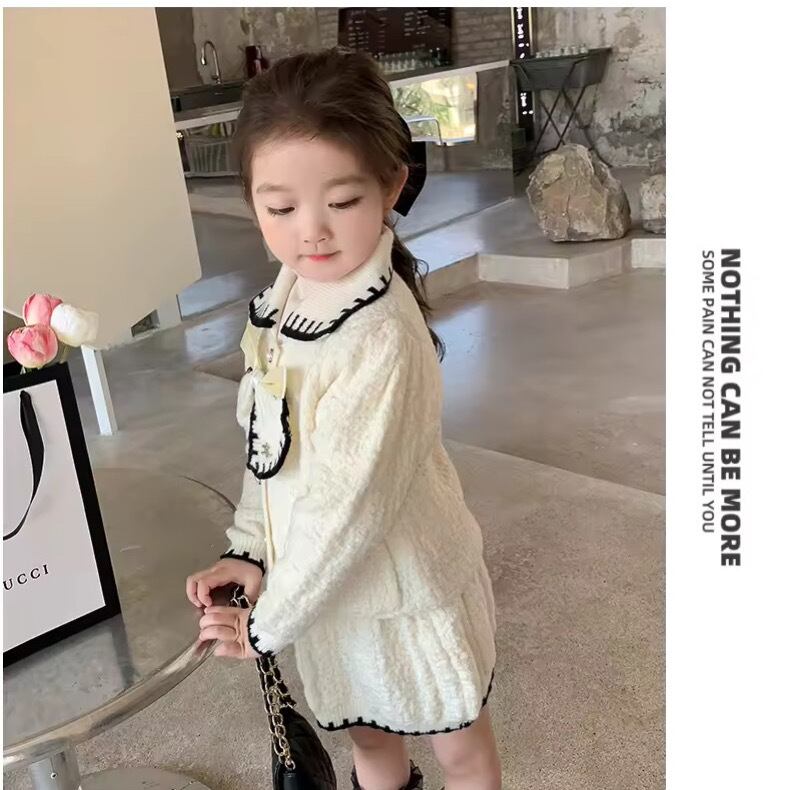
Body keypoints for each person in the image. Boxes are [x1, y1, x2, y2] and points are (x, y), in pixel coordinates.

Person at [186, 47, 501, 790]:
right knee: (369, 739)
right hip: (324, 594)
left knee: (458, 744)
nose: (312, 233)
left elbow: (347, 506)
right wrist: (249, 550)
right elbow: (272, 450)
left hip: (406, 591)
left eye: (342, 201)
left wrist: (268, 622)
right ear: (252, 202)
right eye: (280, 208)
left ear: (391, 184)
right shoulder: (288, 297)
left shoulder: (380, 335)